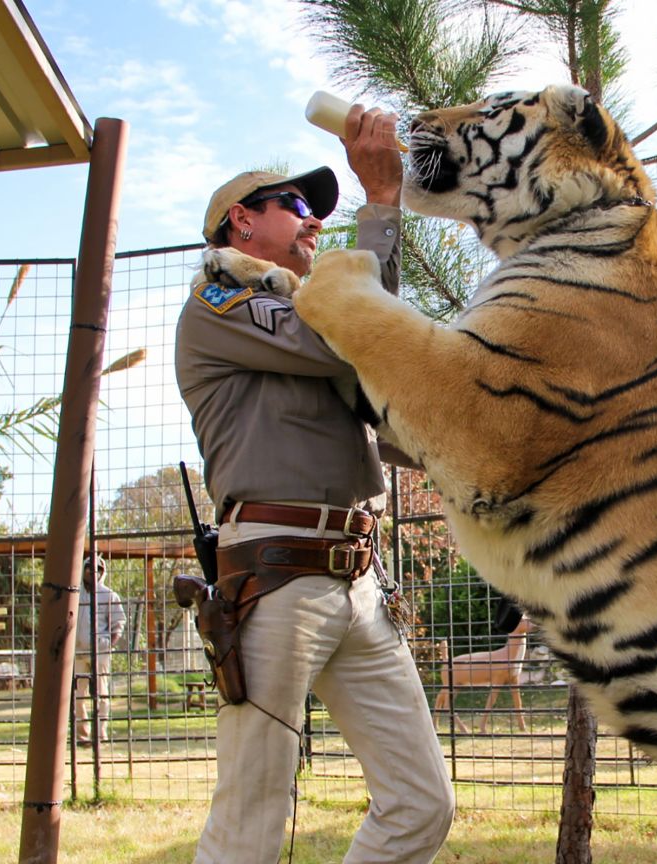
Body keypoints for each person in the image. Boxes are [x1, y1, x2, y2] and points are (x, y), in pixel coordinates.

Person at [175, 105, 453, 863]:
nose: (313, 223)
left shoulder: (309, 314)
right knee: (251, 821)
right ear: (241, 222)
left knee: (422, 805)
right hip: (275, 572)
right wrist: (381, 208)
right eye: (296, 205)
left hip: (362, 579)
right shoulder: (221, 299)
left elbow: (382, 361)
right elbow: (355, 335)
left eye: (320, 213)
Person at [74, 554, 126, 745]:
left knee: (102, 693)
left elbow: (118, 622)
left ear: (102, 572)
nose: (92, 571)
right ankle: (82, 735)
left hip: (100, 652)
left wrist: (109, 643)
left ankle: (100, 734)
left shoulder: (109, 595)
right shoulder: (75, 593)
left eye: (97, 568)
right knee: (78, 695)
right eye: (89, 567)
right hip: (77, 652)